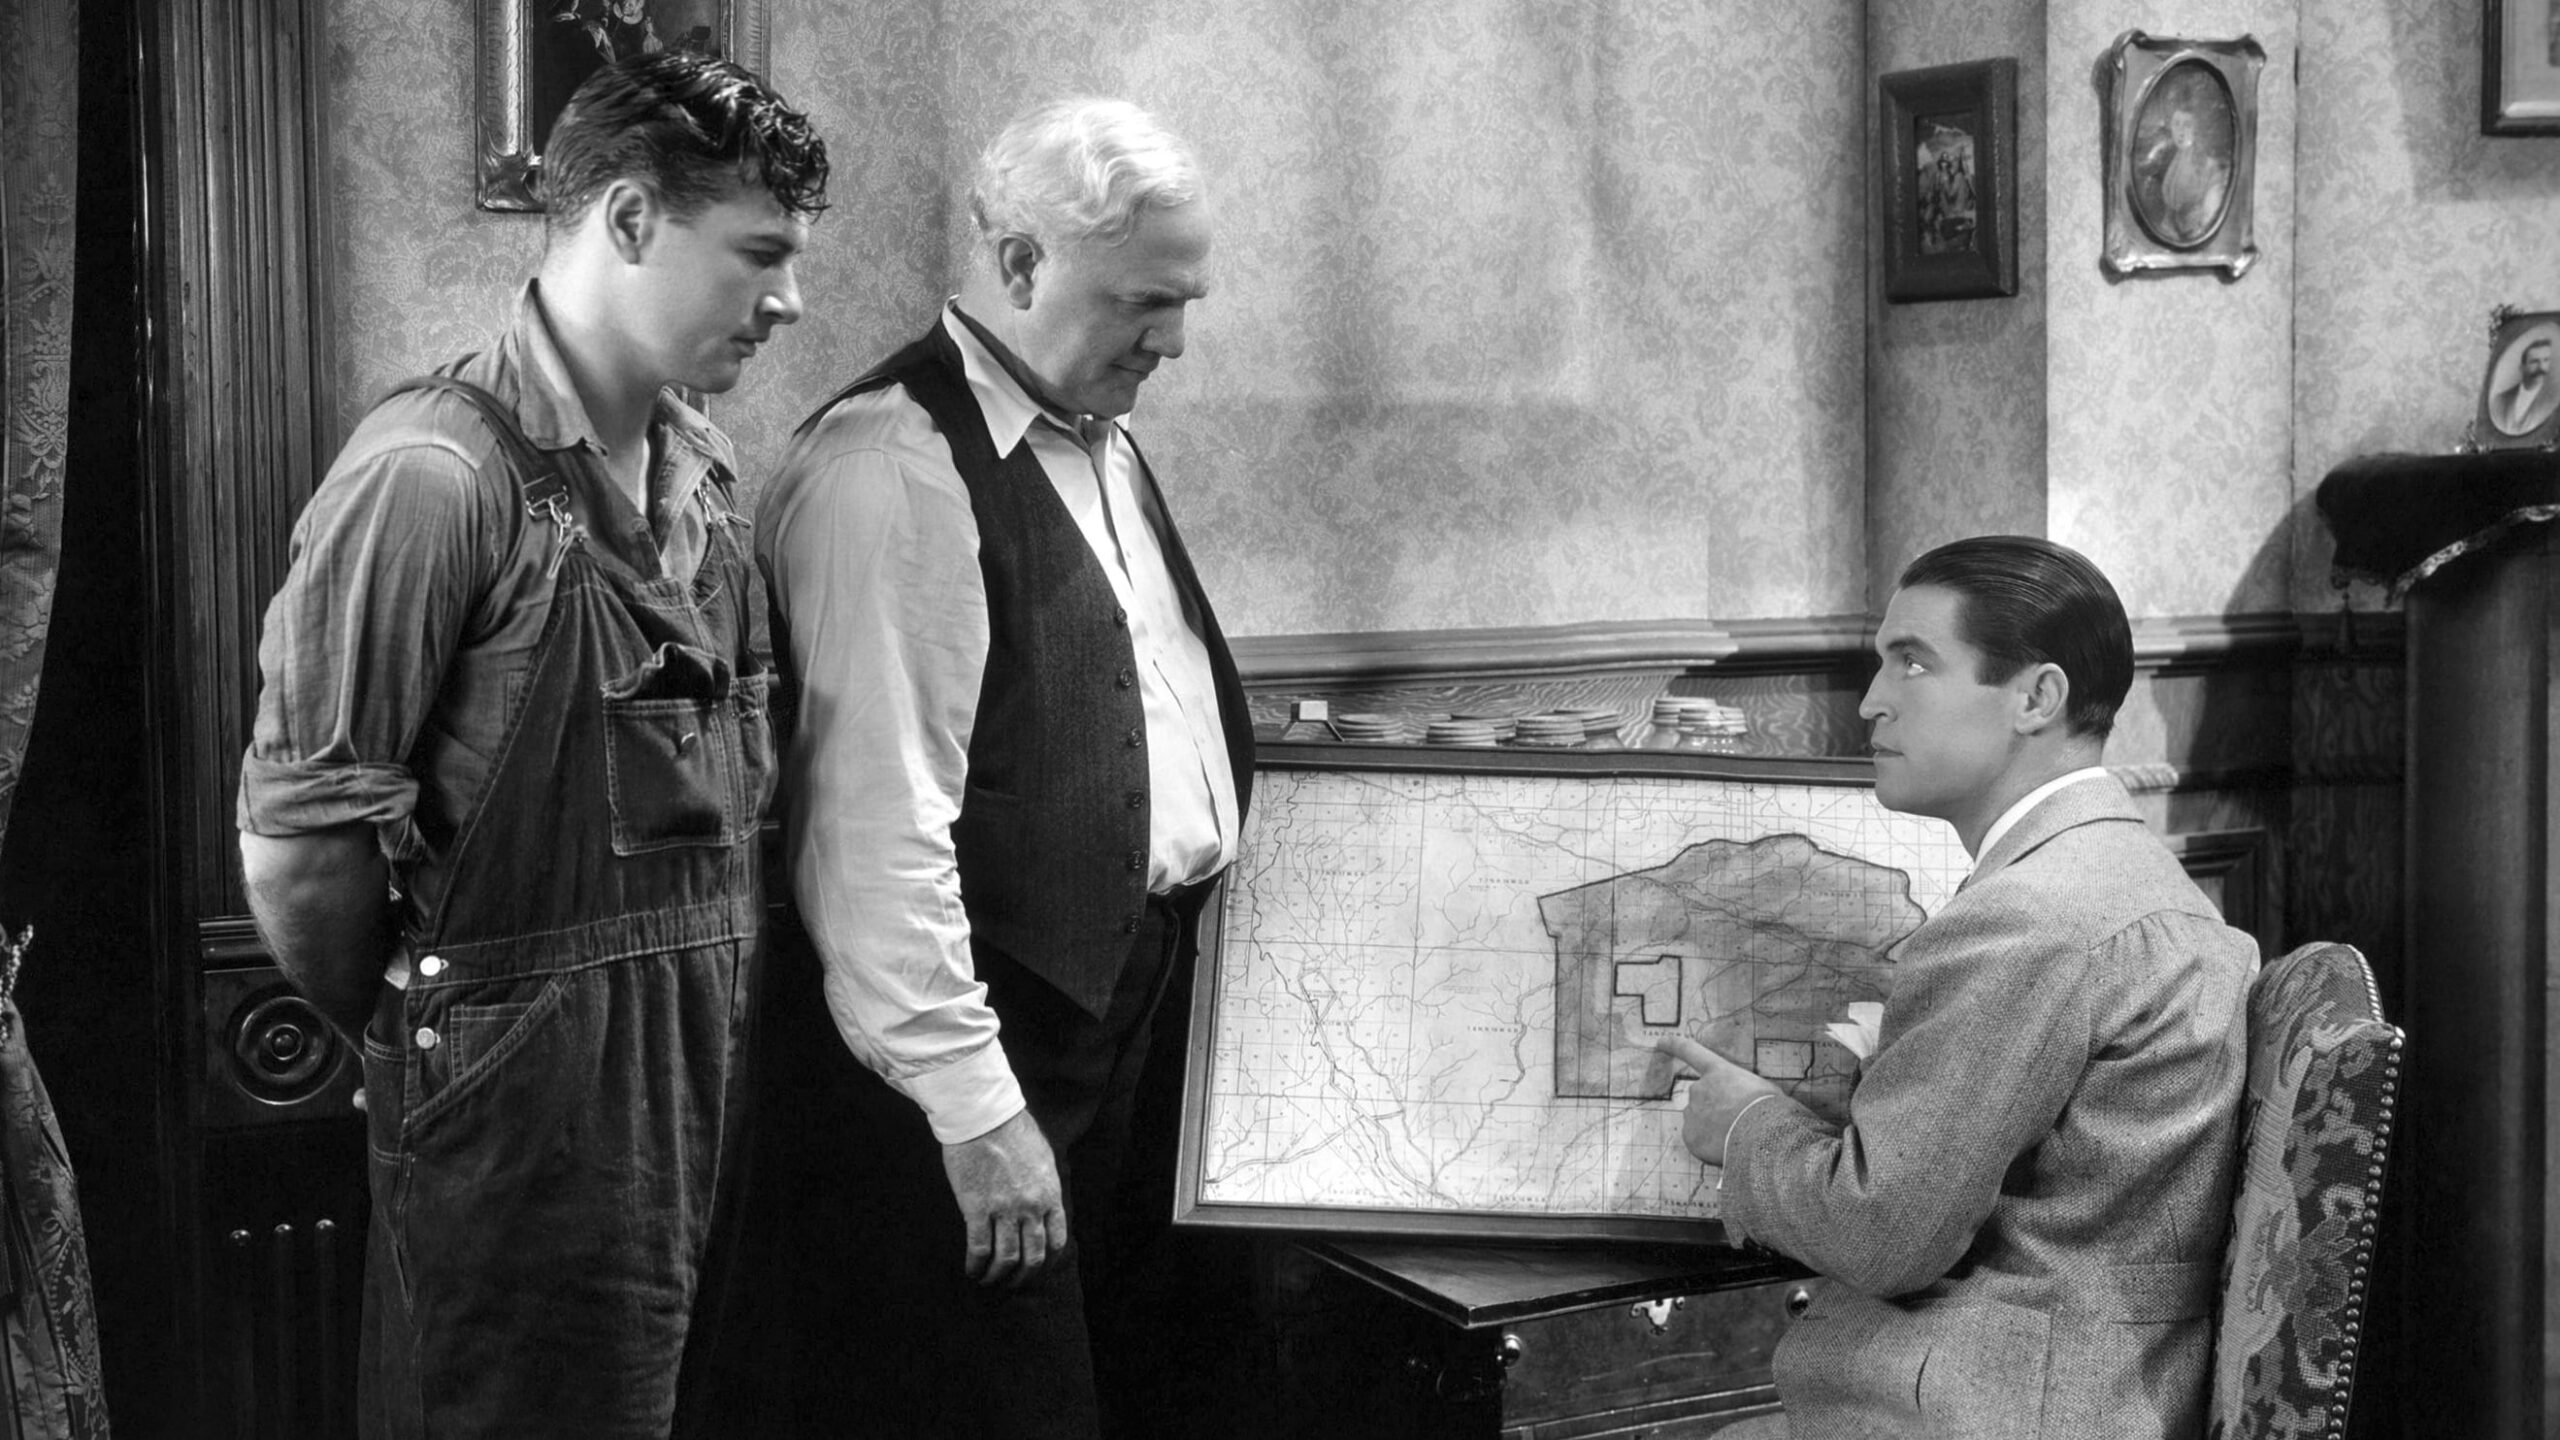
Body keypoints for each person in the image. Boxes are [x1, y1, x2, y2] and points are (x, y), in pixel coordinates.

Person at [234, 51, 826, 1439]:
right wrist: (453, 1039)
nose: (791, 300)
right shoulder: (431, 476)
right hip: (514, 1131)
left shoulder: (708, 476)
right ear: (629, 219)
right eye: (761, 254)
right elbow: (301, 849)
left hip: (706, 1098)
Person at [751, 96, 1255, 1439]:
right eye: (1146, 301)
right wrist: (978, 1116)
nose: (1175, 339)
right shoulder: (888, 467)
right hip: (983, 1057)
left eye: (1187, 300)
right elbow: (871, 850)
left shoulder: (1102, 436)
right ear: (1023, 264)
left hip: (1129, 1018)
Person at [1661, 536, 2256, 1440]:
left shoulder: (2029, 916)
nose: (1871, 700)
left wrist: (1743, 1124)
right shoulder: (2123, 871)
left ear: (2036, 698)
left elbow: (1881, 1236)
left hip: (1986, 1410)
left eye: (1913, 662)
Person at [2492, 334, 2558, 436]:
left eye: (2546, 360)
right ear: (2522, 367)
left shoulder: (2553, 399)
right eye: (2534, 362)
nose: (2541, 367)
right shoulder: (2500, 400)